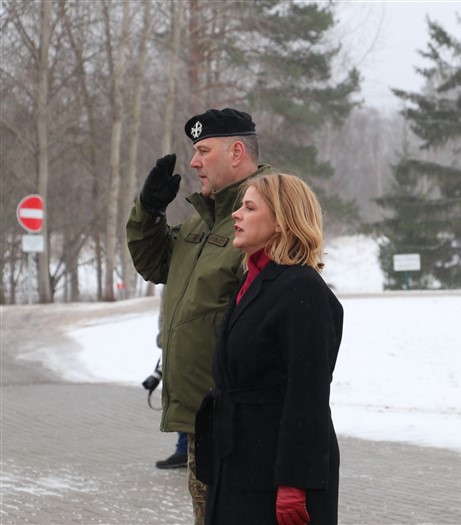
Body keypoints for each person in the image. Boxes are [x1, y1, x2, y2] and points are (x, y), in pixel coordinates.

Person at [127, 108, 276, 524]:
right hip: (203, 417)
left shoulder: (264, 218)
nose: (194, 162)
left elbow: (273, 324)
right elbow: (156, 264)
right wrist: (149, 212)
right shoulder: (204, 219)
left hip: (237, 422)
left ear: (236, 152)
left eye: (204, 151)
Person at [194, 173, 343, 525]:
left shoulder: (302, 287)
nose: (236, 215)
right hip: (239, 458)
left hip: (276, 471)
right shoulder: (253, 280)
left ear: (280, 221)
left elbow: (308, 392)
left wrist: (294, 482)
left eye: (249, 208)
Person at [141, 359, 187, 468]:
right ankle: (185, 453)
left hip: (191, 378)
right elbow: (171, 352)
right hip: (181, 377)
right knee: (183, 415)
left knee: (186, 416)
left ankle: (184, 453)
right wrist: (157, 374)